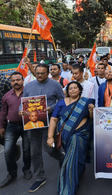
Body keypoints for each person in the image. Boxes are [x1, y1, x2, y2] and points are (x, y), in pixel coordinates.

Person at [22, 64, 65, 193]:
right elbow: (23, 103)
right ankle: (40, 177)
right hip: (31, 124)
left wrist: (51, 108)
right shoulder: (28, 85)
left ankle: (62, 158)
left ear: (48, 74)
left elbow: (62, 100)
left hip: (49, 123)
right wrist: (21, 111)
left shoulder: (55, 85)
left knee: (49, 149)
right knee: (34, 152)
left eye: (43, 73)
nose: (39, 75)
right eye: (37, 73)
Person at [47, 81, 95, 195]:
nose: (73, 90)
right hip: (65, 136)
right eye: (70, 88)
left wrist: (91, 110)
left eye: (75, 88)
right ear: (67, 91)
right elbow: (54, 119)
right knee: (75, 157)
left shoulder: (86, 102)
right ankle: (78, 172)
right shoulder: (61, 103)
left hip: (81, 135)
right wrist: (50, 137)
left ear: (79, 90)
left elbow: (91, 117)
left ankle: (67, 189)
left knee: (71, 161)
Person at [0, 72, 32, 188]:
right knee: (8, 151)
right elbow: (3, 113)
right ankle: (11, 174)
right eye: (13, 80)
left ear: (23, 81)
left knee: (27, 149)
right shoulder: (6, 96)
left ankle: (27, 169)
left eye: (18, 80)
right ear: (11, 82)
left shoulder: (29, 94)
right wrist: (1, 126)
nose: (16, 82)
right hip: (11, 126)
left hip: (27, 125)